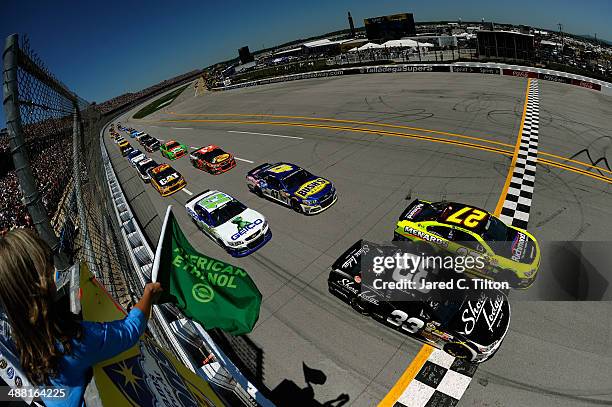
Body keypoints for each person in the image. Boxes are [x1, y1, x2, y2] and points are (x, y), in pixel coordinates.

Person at [0, 229, 163, 406]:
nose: (54, 272)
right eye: (48, 270)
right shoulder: (74, 341)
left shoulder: (21, 339)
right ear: (40, 286)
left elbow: (13, 392)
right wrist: (148, 295)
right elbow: (129, 331)